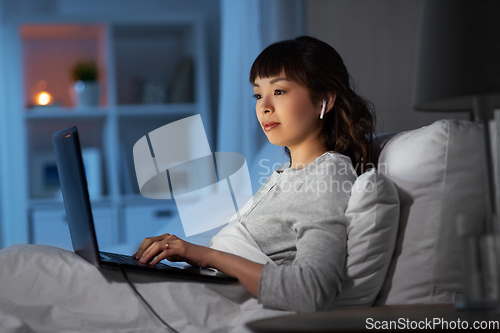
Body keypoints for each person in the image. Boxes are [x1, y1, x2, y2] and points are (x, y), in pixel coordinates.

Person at [132, 35, 375, 313]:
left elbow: (311, 291)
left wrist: (205, 255)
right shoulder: (289, 173)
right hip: (199, 293)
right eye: (258, 94)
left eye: (279, 91)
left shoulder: (327, 176)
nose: (264, 106)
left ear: (325, 100)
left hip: (212, 307)